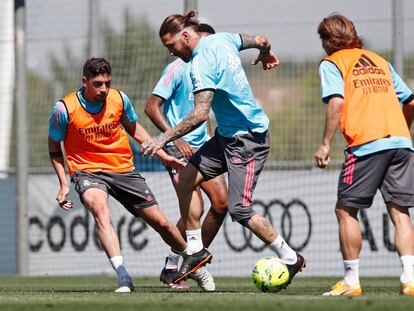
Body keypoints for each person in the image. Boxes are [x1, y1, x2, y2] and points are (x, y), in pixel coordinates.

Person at [142, 11, 306, 287]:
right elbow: (261, 39)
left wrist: (163, 138)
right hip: (226, 137)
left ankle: (290, 258)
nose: (171, 53)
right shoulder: (223, 40)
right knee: (186, 179)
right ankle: (195, 250)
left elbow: (200, 114)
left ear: (185, 35)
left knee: (239, 210)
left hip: (248, 140)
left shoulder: (199, 63)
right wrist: (266, 52)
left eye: (171, 46)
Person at [48, 57, 188, 293]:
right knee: (100, 210)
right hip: (87, 171)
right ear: (84, 82)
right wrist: (63, 184)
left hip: (123, 168)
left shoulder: (119, 99)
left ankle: (194, 261)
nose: (103, 89)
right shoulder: (64, 109)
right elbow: (54, 147)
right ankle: (123, 277)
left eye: (107, 83)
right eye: (97, 84)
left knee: (162, 223)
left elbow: (134, 129)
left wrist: (163, 155)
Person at [315, 14, 414, 296]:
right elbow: (410, 100)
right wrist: (399, 132)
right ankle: (410, 280)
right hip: (400, 142)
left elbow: (336, 102)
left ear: (327, 41)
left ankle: (351, 281)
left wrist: (325, 144)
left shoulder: (332, 63)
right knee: (400, 212)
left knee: (345, 209)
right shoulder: (380, 60)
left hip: (366, 145)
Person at [145, 23, 227, 292]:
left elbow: (203, 111)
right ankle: (176, 265)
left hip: (203, 147)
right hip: (177, 149)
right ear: (194, 38)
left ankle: (189, 260)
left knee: (221, 204)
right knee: (196, 209)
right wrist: (174, 138)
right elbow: (151, 106)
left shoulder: (208, 67)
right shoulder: (176, 68)